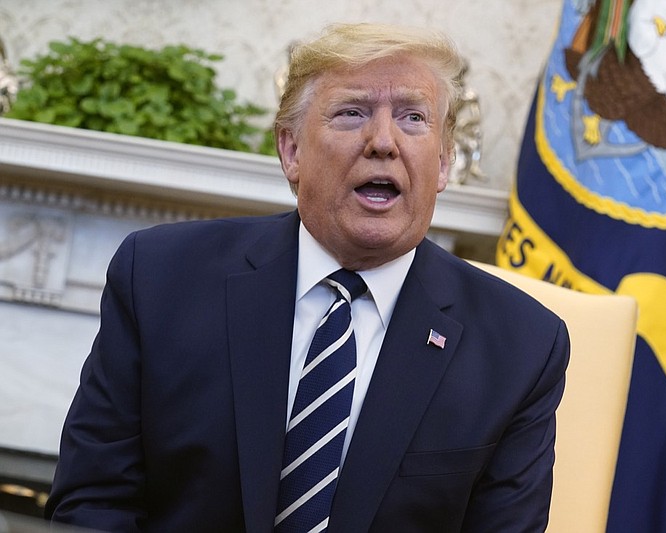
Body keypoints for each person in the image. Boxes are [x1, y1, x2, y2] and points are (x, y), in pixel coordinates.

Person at [45, 22, 570, 532]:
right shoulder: (161, 277)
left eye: (413, 117)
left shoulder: (521, 345)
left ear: (444, 162)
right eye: (351, 113)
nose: (383, 141)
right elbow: (95, 499)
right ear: (291, 150)